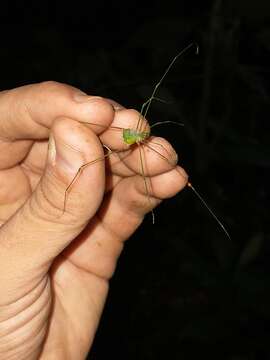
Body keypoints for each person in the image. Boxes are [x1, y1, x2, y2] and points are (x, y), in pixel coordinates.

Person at [0, 81, 188, 359]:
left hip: (128, 141)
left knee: (150, 158)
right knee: (97, 151)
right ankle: (71, 180)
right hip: (113, 142)